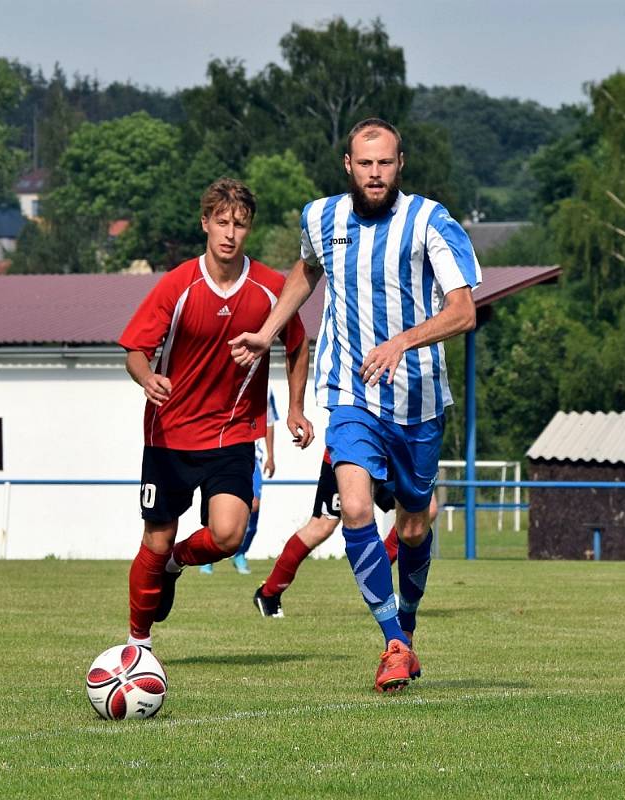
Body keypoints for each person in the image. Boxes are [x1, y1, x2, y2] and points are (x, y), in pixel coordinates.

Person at [230, 118, 481, 692]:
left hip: (417, 400)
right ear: (348, 164)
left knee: (415, 527)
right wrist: (269, 330)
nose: (375, 173)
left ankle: (407, 628)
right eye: (365, 163)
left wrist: (401, 341)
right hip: (349, 392)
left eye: (385, 163)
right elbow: (305, 271)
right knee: (355, 508)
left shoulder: (430, 221)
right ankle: (392, 640)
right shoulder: (320, 217)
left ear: (400, 164)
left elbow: (464, 311)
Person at [119, 177, 313, 651]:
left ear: (249, 230)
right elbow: (135, 350)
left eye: (240, 224)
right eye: (222, 222)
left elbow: (297, 344)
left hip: (231, 434)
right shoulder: (177, 286)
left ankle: (177, 564)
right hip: (169, 436)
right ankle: (137, 645)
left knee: (228, 534)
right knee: (156, 538)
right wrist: (147, 378)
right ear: (205, 223)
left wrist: (293, 409)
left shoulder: (270, 288)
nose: (230, 233)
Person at [253, 448, 438, 618]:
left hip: (394, 450)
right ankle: (269, 592)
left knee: (425, 511)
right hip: (352, 450)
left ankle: (373, 578)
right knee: (323, 525)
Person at [201, 389, 278, 575]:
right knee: (215, 506)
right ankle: (207, 556)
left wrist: (271, 456)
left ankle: (240, 553)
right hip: (219, 451)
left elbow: (268, 423)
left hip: (252, 456)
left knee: (254, 504)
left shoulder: (265, 389)